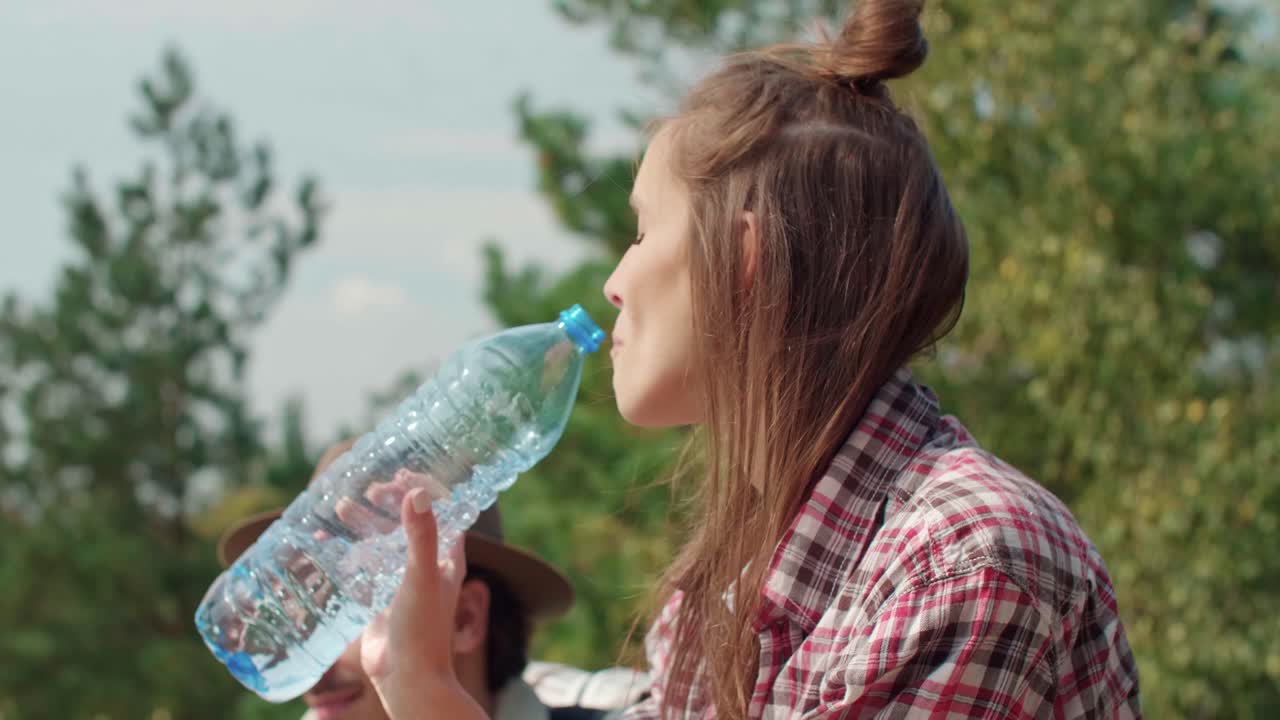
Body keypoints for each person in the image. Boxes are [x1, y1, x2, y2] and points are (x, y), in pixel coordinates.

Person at [362, 0, 1142, 717]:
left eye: (640, 232)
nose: (614, 283)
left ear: (743, 259)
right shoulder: (720, 598)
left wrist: (430, 694)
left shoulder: (963, 562)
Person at [218, 440, 644, 719]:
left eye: (347, 607)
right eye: (305, 609)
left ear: (465, 617)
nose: (312, 669)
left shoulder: (626, 708)